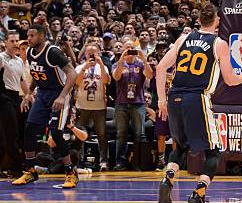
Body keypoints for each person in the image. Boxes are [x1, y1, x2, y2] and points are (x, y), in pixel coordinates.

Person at [156, 2, 242, 203]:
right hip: (197, 98)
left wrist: (161, 101)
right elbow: (229, 79)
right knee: (214, 152)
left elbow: (160, 67)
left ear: (199, 20)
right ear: (217, 20)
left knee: (180, 146)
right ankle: (198, 194)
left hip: (174, 97)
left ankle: (168, 178)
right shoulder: (219, 43)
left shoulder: (183, 39)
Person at [12, 24, 77, 188]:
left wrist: (62, 96)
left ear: (41, 36)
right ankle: (31, 171)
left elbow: (72, 73)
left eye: (32, 35)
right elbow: (36, 74)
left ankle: (71, 172)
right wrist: (29, 93)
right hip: (42, 94)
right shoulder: (29, 52)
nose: (29, 38)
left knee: (55, 133)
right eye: (28, 35)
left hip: (59, 93)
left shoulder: (52, 51)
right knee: (29, 129)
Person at [111, 39, 153, 171]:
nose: (129, 51)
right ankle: (120, 162)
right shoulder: (117, 64)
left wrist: (144, 58)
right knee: (121, 134)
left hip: (138, 103)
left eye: (131, 48)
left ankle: (138, 162)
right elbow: (116, 77)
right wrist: (122, 59)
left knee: (140, 134)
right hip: (121, 103)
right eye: (127, 48)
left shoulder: (140, 64)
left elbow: (150, 75)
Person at [75, 43, 110, 171]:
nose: (91, 56)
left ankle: (104, 162)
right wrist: (85, 67)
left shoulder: (103, 67)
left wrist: (100, 64)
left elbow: (106, 81)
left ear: (99, 54)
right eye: (89, 53)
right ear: (85, 54)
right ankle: (78, 161)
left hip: (99, 107)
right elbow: (76, 82)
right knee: (79, 135)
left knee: (102, 135)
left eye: (94, 53)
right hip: (82, 106)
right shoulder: (79, 67)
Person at [0, 31, 27, 176]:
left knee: (7, 134)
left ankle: (10, 167)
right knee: (12, 133)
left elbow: (22, 80)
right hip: (4, 96)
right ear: (5, 43)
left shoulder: (18, 61)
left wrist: (29, 95)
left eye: (17, 41)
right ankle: (16, 168)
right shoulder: (1, 58)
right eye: (12, 41)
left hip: (16, 97)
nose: (16, 43)